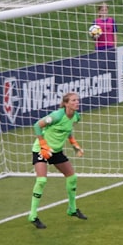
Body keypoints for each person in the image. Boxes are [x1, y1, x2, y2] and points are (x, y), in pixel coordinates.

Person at [27, 92, 88, 229]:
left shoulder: (76, 116)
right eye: (73, 100)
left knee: (72, 177)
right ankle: (33, 215)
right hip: (42, 150)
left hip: (56, 151)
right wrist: (43, 144)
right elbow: (37, 125)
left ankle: (72, 209)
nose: (77, 102)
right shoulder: (57, 116)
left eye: (77, 100)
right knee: (41, 180)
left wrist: (74, 144)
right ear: (66, 103)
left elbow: (68, 129)